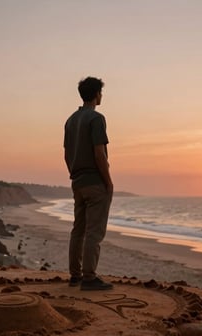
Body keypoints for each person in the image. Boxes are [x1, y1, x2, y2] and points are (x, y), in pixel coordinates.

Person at [64, 77, 114, 291]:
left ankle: (75, 275)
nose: (101, 96)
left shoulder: (71, 120)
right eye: (101, 93)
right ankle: (89, 277)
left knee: (79, 230)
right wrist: (108, 181)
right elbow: (99, 153)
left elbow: (67, 155)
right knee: (94, 231)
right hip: (94, 181)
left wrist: (75, 175)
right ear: (96, 94)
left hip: (77, 181)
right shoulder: (96, 118)